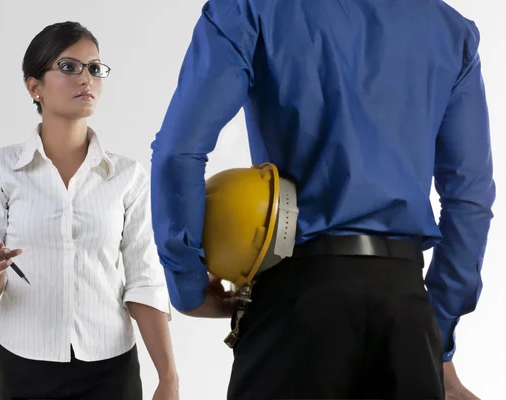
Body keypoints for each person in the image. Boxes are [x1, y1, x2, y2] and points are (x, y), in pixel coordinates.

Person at [150, 1, 495, 399]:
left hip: (295, 300)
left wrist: (188, 284)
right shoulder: (450, 29)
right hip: (405, 308)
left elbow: (179, 152)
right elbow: (470, 196)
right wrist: (436, 327)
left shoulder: (249, 9)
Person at [0, 21, 179, 400]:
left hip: (110, 368)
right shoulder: (0, 169)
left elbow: (143, 280)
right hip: (23, 364)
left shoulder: (127, 176)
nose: (87, 78)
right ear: (34, 87)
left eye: (95, 68)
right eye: (69, 66)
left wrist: (168, 377)